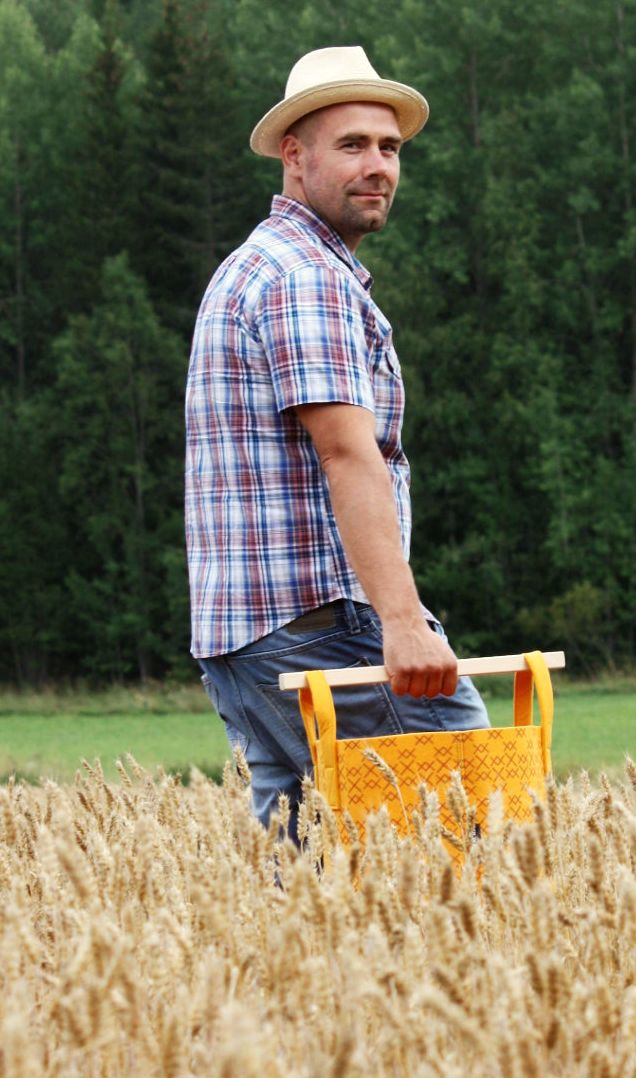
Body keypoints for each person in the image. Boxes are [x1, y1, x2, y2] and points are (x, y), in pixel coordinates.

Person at [185, 46, 489, 836]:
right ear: (296, 154)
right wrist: (401, 621)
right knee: (476, 829)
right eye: (352, 145)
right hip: (321, 630)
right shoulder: (304, 278)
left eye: (390, 148)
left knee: (314, 878)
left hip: (255, 638)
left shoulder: (257, 265)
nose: (379, 166)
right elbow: (347, 453)